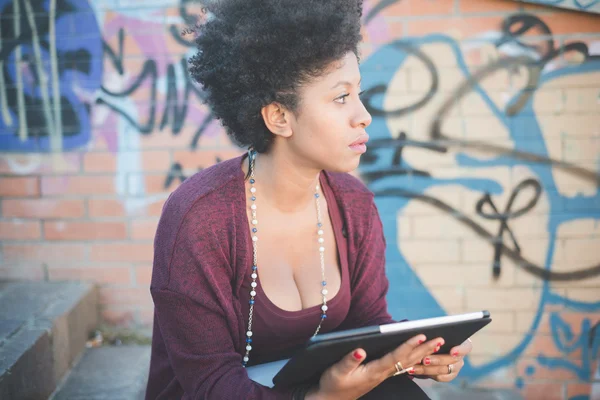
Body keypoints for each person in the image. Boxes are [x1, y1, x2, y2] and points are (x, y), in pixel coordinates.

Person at [144, 0, 473, 399]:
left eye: (359, 94)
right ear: (279, 117)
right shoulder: (199, 219)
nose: (364, 115)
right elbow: (211, 384)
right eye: (340, 98)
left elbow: (367, 323)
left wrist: (411, 354)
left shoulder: (353, 204)